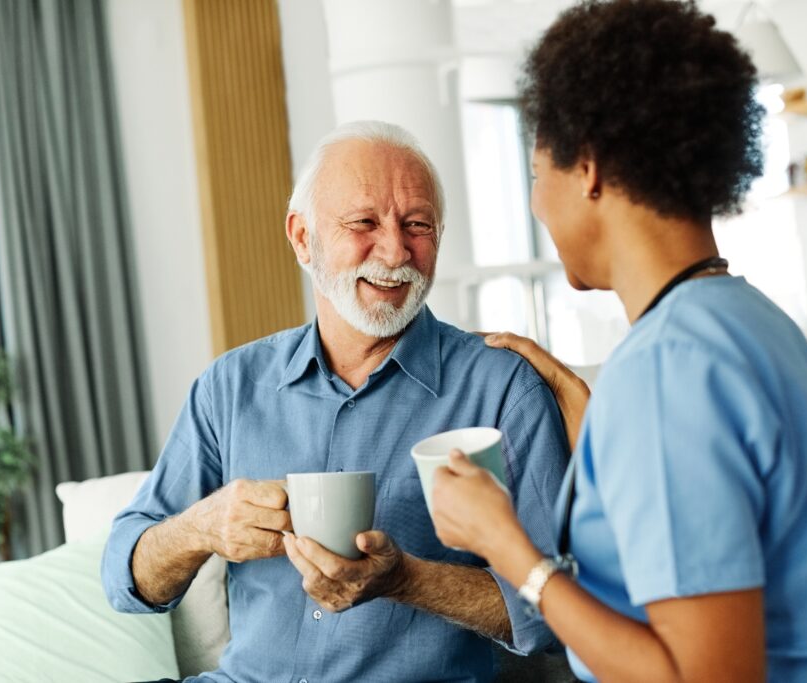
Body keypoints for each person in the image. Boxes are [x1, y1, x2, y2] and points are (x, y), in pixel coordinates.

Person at [430, 1, 807, 681]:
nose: (536, 201)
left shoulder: (667, 370)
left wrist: (508, 546)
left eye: (538, 170)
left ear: (591, 168)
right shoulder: (752, 322)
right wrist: (600, 429)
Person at [101, 121, 570, 682]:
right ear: (302, 237)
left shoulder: (501, 389)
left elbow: (559, 612)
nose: (396, 251)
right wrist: (199, 527)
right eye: (364, 223)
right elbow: (123, 579)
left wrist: (408, 580)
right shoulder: (230, 386)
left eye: (417, 225)